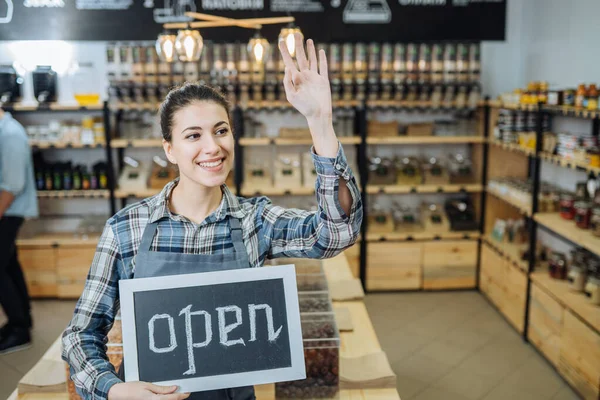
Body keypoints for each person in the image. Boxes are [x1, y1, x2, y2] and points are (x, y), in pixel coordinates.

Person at [62, 34, 363, 400]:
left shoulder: (256, 220)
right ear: (169, 150)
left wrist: (321, 123)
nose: (212, 147)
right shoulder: (128, 229)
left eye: (221, 131)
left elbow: (337, 233)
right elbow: (81, 334)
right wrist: (114, 389)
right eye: (193, 135)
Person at [0, 107, 39, 354]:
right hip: (7, 211)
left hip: (8, 211)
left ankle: (19, 329)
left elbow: (12, 186)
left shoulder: (11, 134)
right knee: (8, 264)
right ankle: (21, 321)